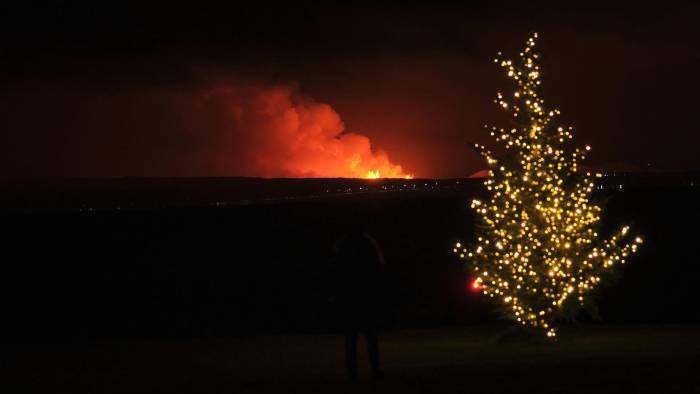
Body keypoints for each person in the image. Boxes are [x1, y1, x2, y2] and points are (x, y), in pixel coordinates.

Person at [329, 224, 386, 383]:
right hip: (365, 296)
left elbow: (334, 268)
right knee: (369, 336)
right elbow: (380, 267)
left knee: (351, 338)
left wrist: (337, 293)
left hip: (351, 297)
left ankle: (353, 372)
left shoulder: (343, 243)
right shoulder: (368, 243)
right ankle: (374, 369)